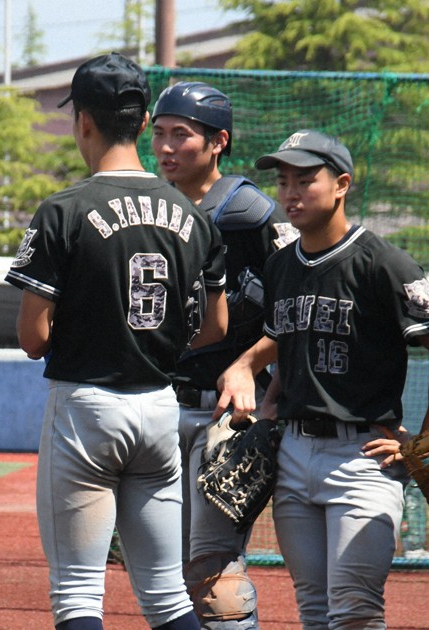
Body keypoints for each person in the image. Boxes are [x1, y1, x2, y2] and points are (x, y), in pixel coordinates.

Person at [6, 52, 227, 630]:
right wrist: (154, 341)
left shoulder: (63, 210)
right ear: (144, 119)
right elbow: (216, 326)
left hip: (87, 407)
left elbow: (32, 338)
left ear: (83, 120)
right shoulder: (193, 214)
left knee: (78, 594)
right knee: (168, 596)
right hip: (160, 407)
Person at [216, 129, 429, 629]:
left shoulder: (382, 262)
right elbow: (286, 339)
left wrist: (428, 439)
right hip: (294, 452)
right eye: (284, 182)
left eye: (306, 180)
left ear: (341, 184)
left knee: (354, 611)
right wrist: (257, 389)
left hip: (361, 456)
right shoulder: (281, 265)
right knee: (314, 609)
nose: (291, 193)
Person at [150, 81, 296, 630]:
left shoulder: (250, 213)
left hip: (224, 414)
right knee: (166, 568)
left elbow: (298, 306)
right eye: (159, 133)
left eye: (181, 134)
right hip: (158, 405)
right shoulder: (151, 208)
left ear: (218, 142)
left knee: (215, 571)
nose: (166, 146)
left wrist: (254, 370)